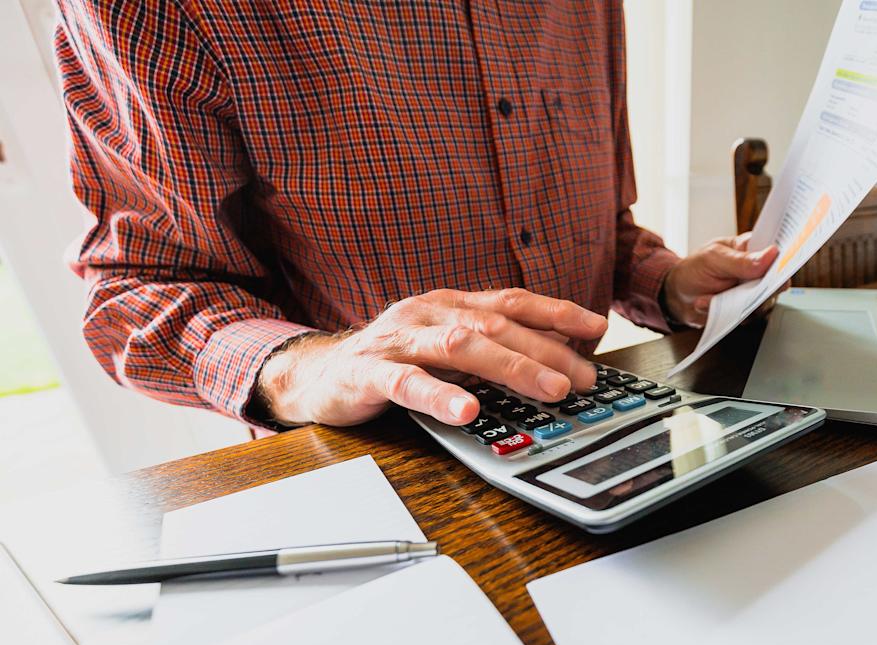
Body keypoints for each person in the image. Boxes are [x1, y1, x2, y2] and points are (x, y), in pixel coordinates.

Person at [56, 1, 777, 430]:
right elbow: (141, 287)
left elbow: (598, 225)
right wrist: (317, 365)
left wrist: (668, 281)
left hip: (594, 428)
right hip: (378, 470)